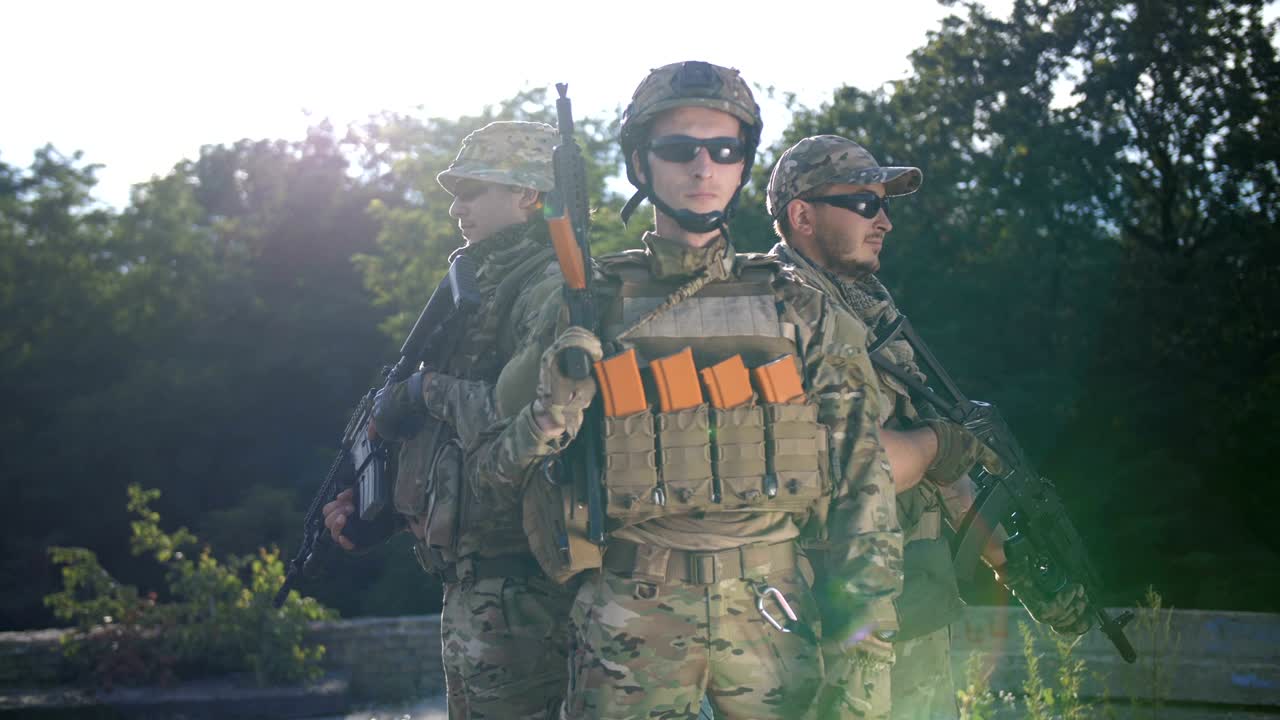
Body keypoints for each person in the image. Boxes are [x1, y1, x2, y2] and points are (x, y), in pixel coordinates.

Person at [467, 61, 902, 720]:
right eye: (679, 150)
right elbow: (492, 478)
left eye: (724, 149)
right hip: (628, 617)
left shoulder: (801, 310)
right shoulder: (583, 305)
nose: (703, 168)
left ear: (742, 166)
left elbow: (862, 489)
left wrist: (866, 647)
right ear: (641, 165)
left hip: (775, 611)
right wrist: (551, 411)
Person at [766, 134, 1093, 719]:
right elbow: (843, 464)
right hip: (822, 626)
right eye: (865, 203)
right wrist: (944, 443)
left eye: (885, 203)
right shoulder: (773, 312)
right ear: (801, 214)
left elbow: (940, 472)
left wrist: (1015, 565)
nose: (884, 220)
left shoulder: (866, 306)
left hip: (912, 611)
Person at [321, 120, 572, 720]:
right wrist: (383, 510)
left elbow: (523, 423)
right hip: (473, 580)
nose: (456, 208)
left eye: (472, 190)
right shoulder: (478, 281)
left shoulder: (551, 287)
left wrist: (421, 390)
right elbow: (451, 442)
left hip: (524, 582)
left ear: (527, 195)